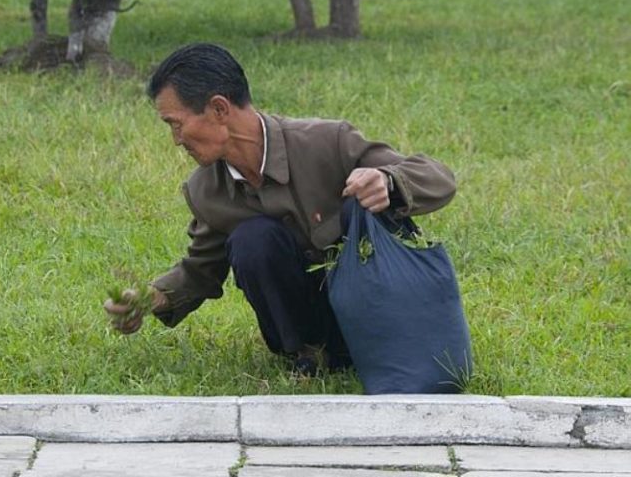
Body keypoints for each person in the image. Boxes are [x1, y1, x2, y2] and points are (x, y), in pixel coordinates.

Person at [104, 43, 456, 374]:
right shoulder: (205, 190)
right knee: (252, 239)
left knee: (356, 206)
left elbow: (437, 178)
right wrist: (149, 299)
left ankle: (373, 344)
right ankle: (309, 353)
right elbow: (200, 270)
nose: (176, 139)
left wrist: (387, 180)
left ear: (219, 109)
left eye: (176, 124)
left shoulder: (326, 141)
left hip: (378, 315)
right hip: (313, 329)